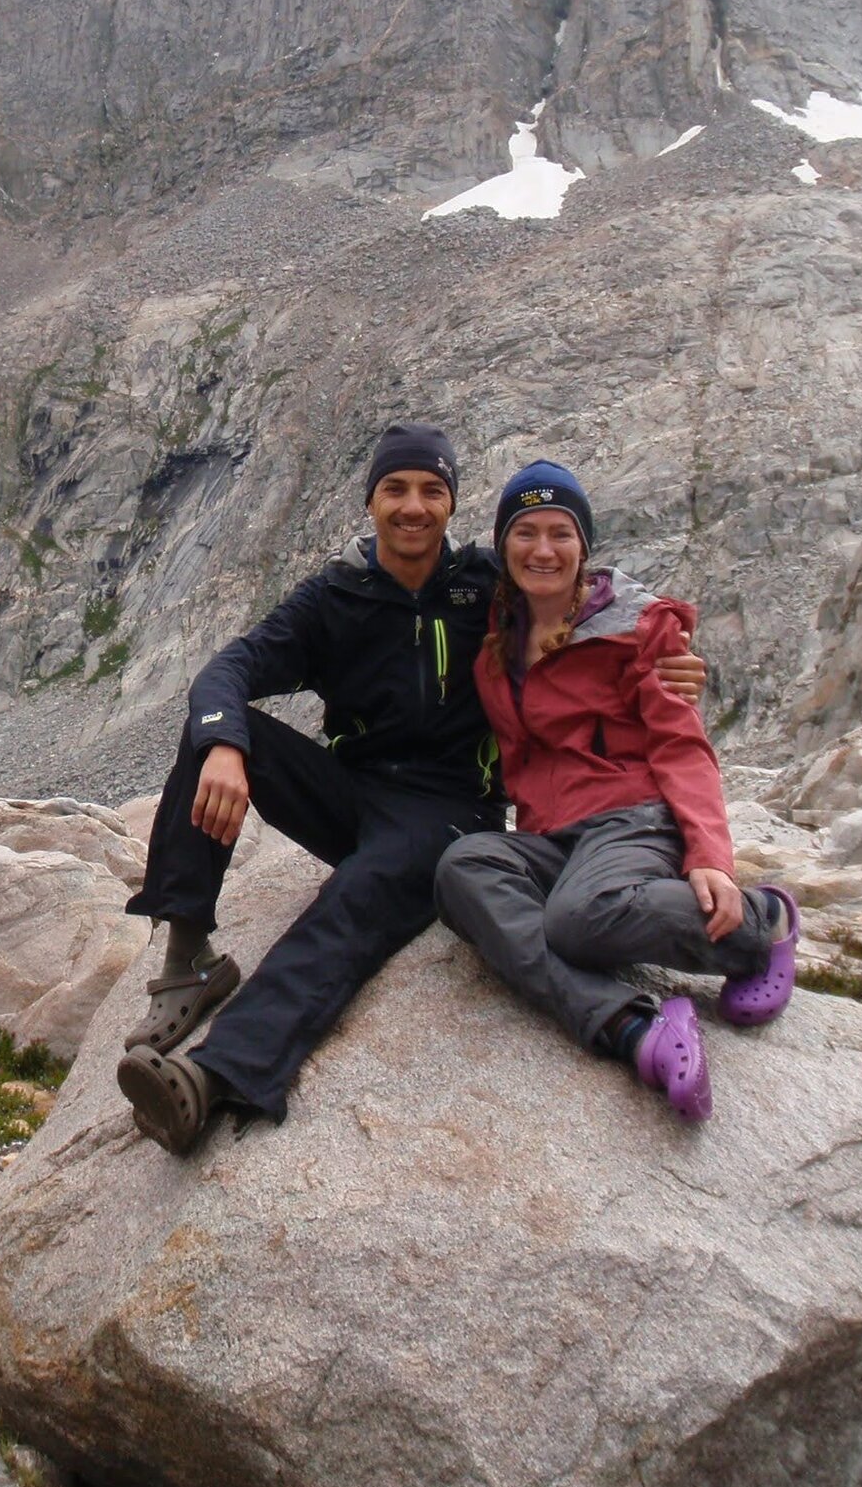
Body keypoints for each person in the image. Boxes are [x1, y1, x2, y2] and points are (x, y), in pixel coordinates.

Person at [116, 426, 709, 1154]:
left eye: (432, 490)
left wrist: (668, 650)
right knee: (212, 729)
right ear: (371, 501)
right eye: (396, 488)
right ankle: (191, 954)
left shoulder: (487, 587)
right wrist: (226, 744)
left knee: (353, 901)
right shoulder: (337, 593)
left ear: (452, 503)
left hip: (450, 810)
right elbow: (230, 667)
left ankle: (216, 1074)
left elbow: (586, 592)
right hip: (353, 788)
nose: (414, 506)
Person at [432, 462, 801, 1122]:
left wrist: (710, 854)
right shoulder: (497, 641)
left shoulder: (640, 629)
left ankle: (761, 924)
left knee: (575, 917)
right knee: (462, 870)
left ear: (584, 546)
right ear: (503, 544)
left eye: (560, 533)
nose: (542, 550)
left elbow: (682, 744)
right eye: (524, 532)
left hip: (631, 820)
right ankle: (634, 1028)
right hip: (549, 838)